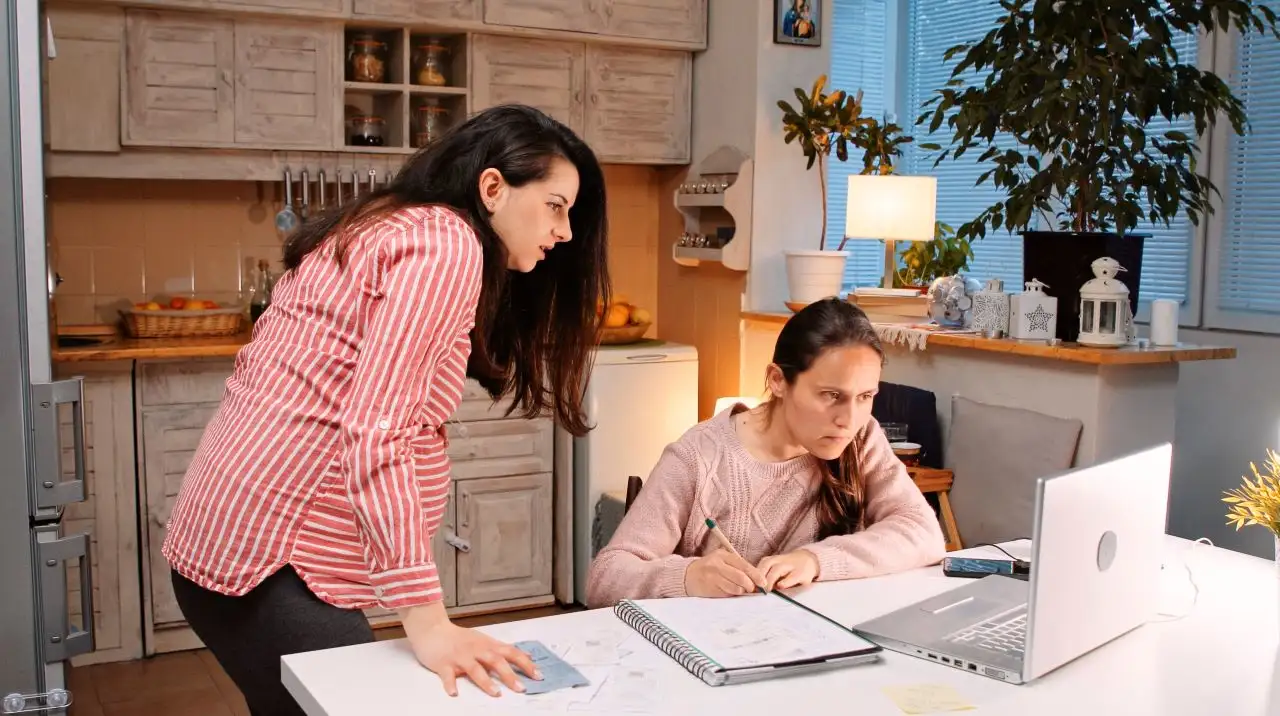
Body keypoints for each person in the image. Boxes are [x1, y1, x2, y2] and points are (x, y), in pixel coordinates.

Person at [162, 104, 610, 713]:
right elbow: (379, 433)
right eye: (556, 205)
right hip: (274, 563)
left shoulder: (390, 223)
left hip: (232, 545)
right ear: (493, 187)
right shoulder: (447, 243)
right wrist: (428, 624)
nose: (565, 232)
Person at [586, 298, 945, 608]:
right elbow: (604, 579)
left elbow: (923, 532)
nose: (848, 420)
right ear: (777, 380)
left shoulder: (861, 437)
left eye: (865, 397)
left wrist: (816, 560)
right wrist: (688, 576)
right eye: (831, 395)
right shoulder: (698, 457)